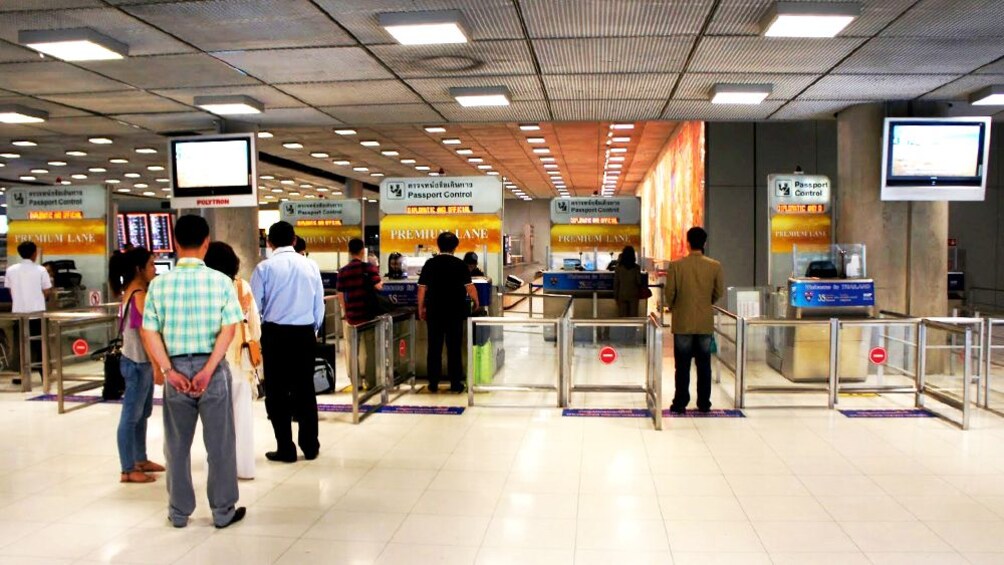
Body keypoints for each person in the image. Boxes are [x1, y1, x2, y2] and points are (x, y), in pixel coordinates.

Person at [140, 215, 246, 529]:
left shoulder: (158, 284)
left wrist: (169, 370)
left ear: (174, 242)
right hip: (211, 372)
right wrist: (209, 368)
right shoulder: (221, 282)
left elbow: (149, 332)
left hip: (175, 371)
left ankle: (178, 513)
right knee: (220, 445)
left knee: (176, 446)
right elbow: (229, 329)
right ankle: (223, 512)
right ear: (206, 243)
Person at [251, 222, 325, 463]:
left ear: (269, 242)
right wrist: (313, 328)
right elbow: (319, 304)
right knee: (305, 389)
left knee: (277, 393)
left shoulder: (264, 269)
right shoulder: (310, 266)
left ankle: (286, 447)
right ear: (294, 240)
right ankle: (310, 445)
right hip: (304, 333)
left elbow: (255, 307)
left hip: (275, 335)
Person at [109, 246, 164, 484]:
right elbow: (145, 333)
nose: (155, 269)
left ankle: (140, 459)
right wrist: (156, 365)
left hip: (137, 361)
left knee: (142, 413)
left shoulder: (133, 291)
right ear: (139, 269)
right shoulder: (139, 294)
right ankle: (128, 468)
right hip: (138, 362)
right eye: (151, 264)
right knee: (131, 416)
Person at [205, 241, 260, 481]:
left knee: (216, 422)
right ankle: (244, 468)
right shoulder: (242, 287)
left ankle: (220, 470)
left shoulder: (205, 287)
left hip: (213, 363)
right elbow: (255, 327)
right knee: (243, 417)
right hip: (241, 363)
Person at [665, 227, 724, 414]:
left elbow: (670, 293)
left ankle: (680, 402)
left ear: (688, 242)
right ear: (704, 243)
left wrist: (676, 306)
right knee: (704, 364)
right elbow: (718, 292)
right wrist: (706, 303)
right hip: (704, 323)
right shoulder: (715, 266)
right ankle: (704, 402)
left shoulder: (676, 266)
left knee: (682, 366)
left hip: (682, 322)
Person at [418, 233, 480, 393]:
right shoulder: (460, 264)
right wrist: (476, 302)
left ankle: (433, 383)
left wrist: (421, 308)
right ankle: (455, 383)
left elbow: (422, 288)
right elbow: (470, 287)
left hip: (434, 311)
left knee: (434, 347)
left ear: (438, 245)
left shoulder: (430, 264)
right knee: (454, 348)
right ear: (455, 246)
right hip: (455, 312)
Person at [4, 241, 53, 383]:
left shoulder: (11, 270)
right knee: (40, 344)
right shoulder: (41, 270)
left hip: (19, 313)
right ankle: (44, 375)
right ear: (34, 253)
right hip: (37, 313)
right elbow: (47, 290)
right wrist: (38, 299)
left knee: (21, 345)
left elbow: (10, 290)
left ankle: (22, 375)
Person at [337, 239, 383, 389]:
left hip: (352, 316)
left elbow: (340, 294)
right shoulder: (369, 268)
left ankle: (356, 383)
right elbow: (379, 287)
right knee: (370, 349)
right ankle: (371, 382)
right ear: (363, 251)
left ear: (349, 251)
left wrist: (346, 311)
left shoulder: (343, 271)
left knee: (353, 352)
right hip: (368, 315)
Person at [612, 246, 645, 318]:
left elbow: (616, 283)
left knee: (623, 318)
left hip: (622, 294)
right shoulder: (636, 267)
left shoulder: (618, 268)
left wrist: (615, 295)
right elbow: (639, 281)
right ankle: (632, 329)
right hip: (633, 294)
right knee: (633, 317)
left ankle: (623, 329)